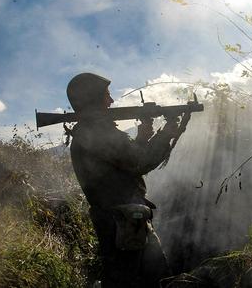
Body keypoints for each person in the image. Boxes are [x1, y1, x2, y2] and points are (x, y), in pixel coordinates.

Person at [67, 73, 190, 288]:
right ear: (93, 99)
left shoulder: (90, 132)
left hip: (123, 220)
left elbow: (123, 162)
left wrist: (143, 137)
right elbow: (139, 163)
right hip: (122, 222)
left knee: (142, 275)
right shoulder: (96, 132)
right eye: (106, 95)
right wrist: (166, 133)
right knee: (139, 278)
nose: (112, 101)